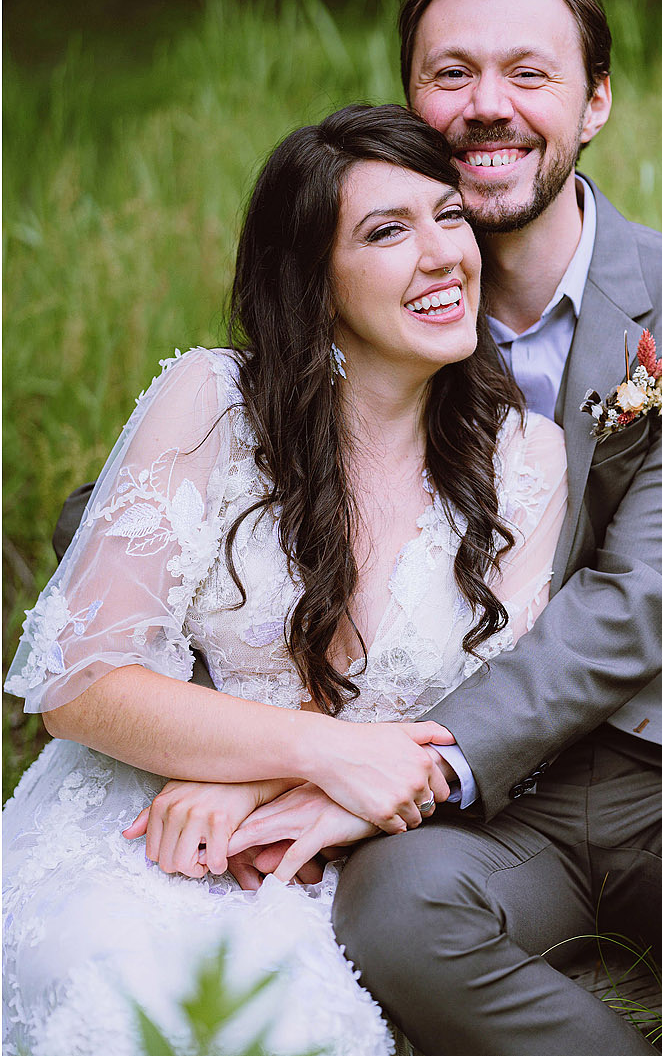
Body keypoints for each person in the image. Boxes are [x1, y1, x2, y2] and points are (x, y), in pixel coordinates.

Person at [117, 0, 662, 1056]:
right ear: (411, 104)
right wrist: (262, 748)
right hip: (448, 800)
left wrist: (387, 763)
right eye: (450, 74)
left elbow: (643, 593)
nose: (488, 106)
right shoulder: (347, 289)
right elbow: (173, 512)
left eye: (530, 74)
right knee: (398, 921)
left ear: (595, 103)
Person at [3, 103, 569, 1054]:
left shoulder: (526, 461)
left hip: (335, 855)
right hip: (146, 819)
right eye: (388, 231)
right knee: (121, 981)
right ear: (313, 279)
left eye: (451, 216)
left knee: (294, 1021)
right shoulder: (209, 402)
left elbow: (498, 715)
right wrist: (310, 751)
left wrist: (283, 788)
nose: (443, 255)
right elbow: (79, 683)